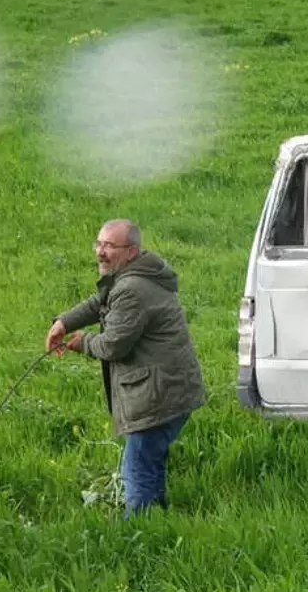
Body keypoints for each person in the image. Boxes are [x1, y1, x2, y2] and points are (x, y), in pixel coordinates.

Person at [45, 218, 206, 518]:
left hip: (161, 393)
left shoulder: (132, 289)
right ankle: (157, 517)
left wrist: (82, 342)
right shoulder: (132, 274)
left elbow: (113, 346)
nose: (100, 252)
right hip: (168, 386)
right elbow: (99, 303)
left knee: (136, 468)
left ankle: (142, 532)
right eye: (99, 243)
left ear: (131, 251)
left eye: (109, 246)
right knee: (147, 460)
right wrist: (63, 322)